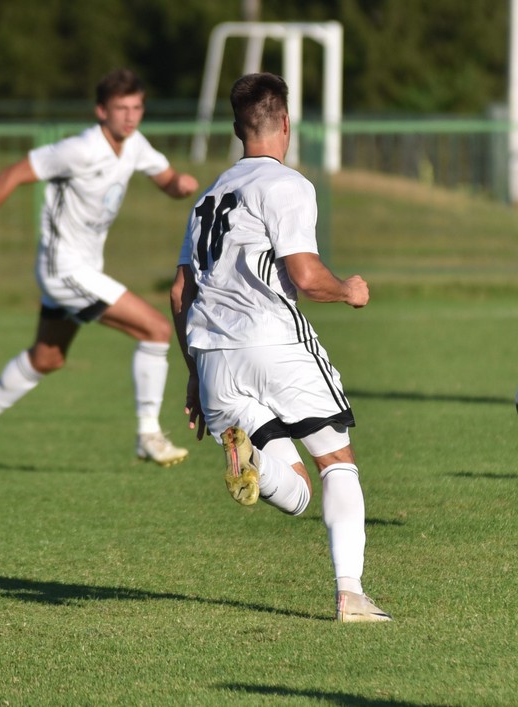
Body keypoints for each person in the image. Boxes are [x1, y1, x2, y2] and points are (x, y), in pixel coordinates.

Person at [170, 72, 391, 623]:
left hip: (215, 360)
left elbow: (180, 291)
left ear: (238, 128)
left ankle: (249, 460)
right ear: (286, 124)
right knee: (337, 463)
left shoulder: (208, 197)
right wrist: (349, 292)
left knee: (293, 492)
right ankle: (351, 596)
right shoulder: (286, 185)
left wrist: (194, 374)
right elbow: (307, 276)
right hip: (272, 343)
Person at [0, 68, 198, 469]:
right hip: (63, 269)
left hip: (82, 269)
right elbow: (14, 173)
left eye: (137, 107)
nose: (130, 116)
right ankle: (148, 434)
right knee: (156, 328)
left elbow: (167, 180)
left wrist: (180, 185)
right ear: (102, 111)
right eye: (121, 109)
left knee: (48, 357)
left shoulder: (135, 144)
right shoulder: (80, 149)